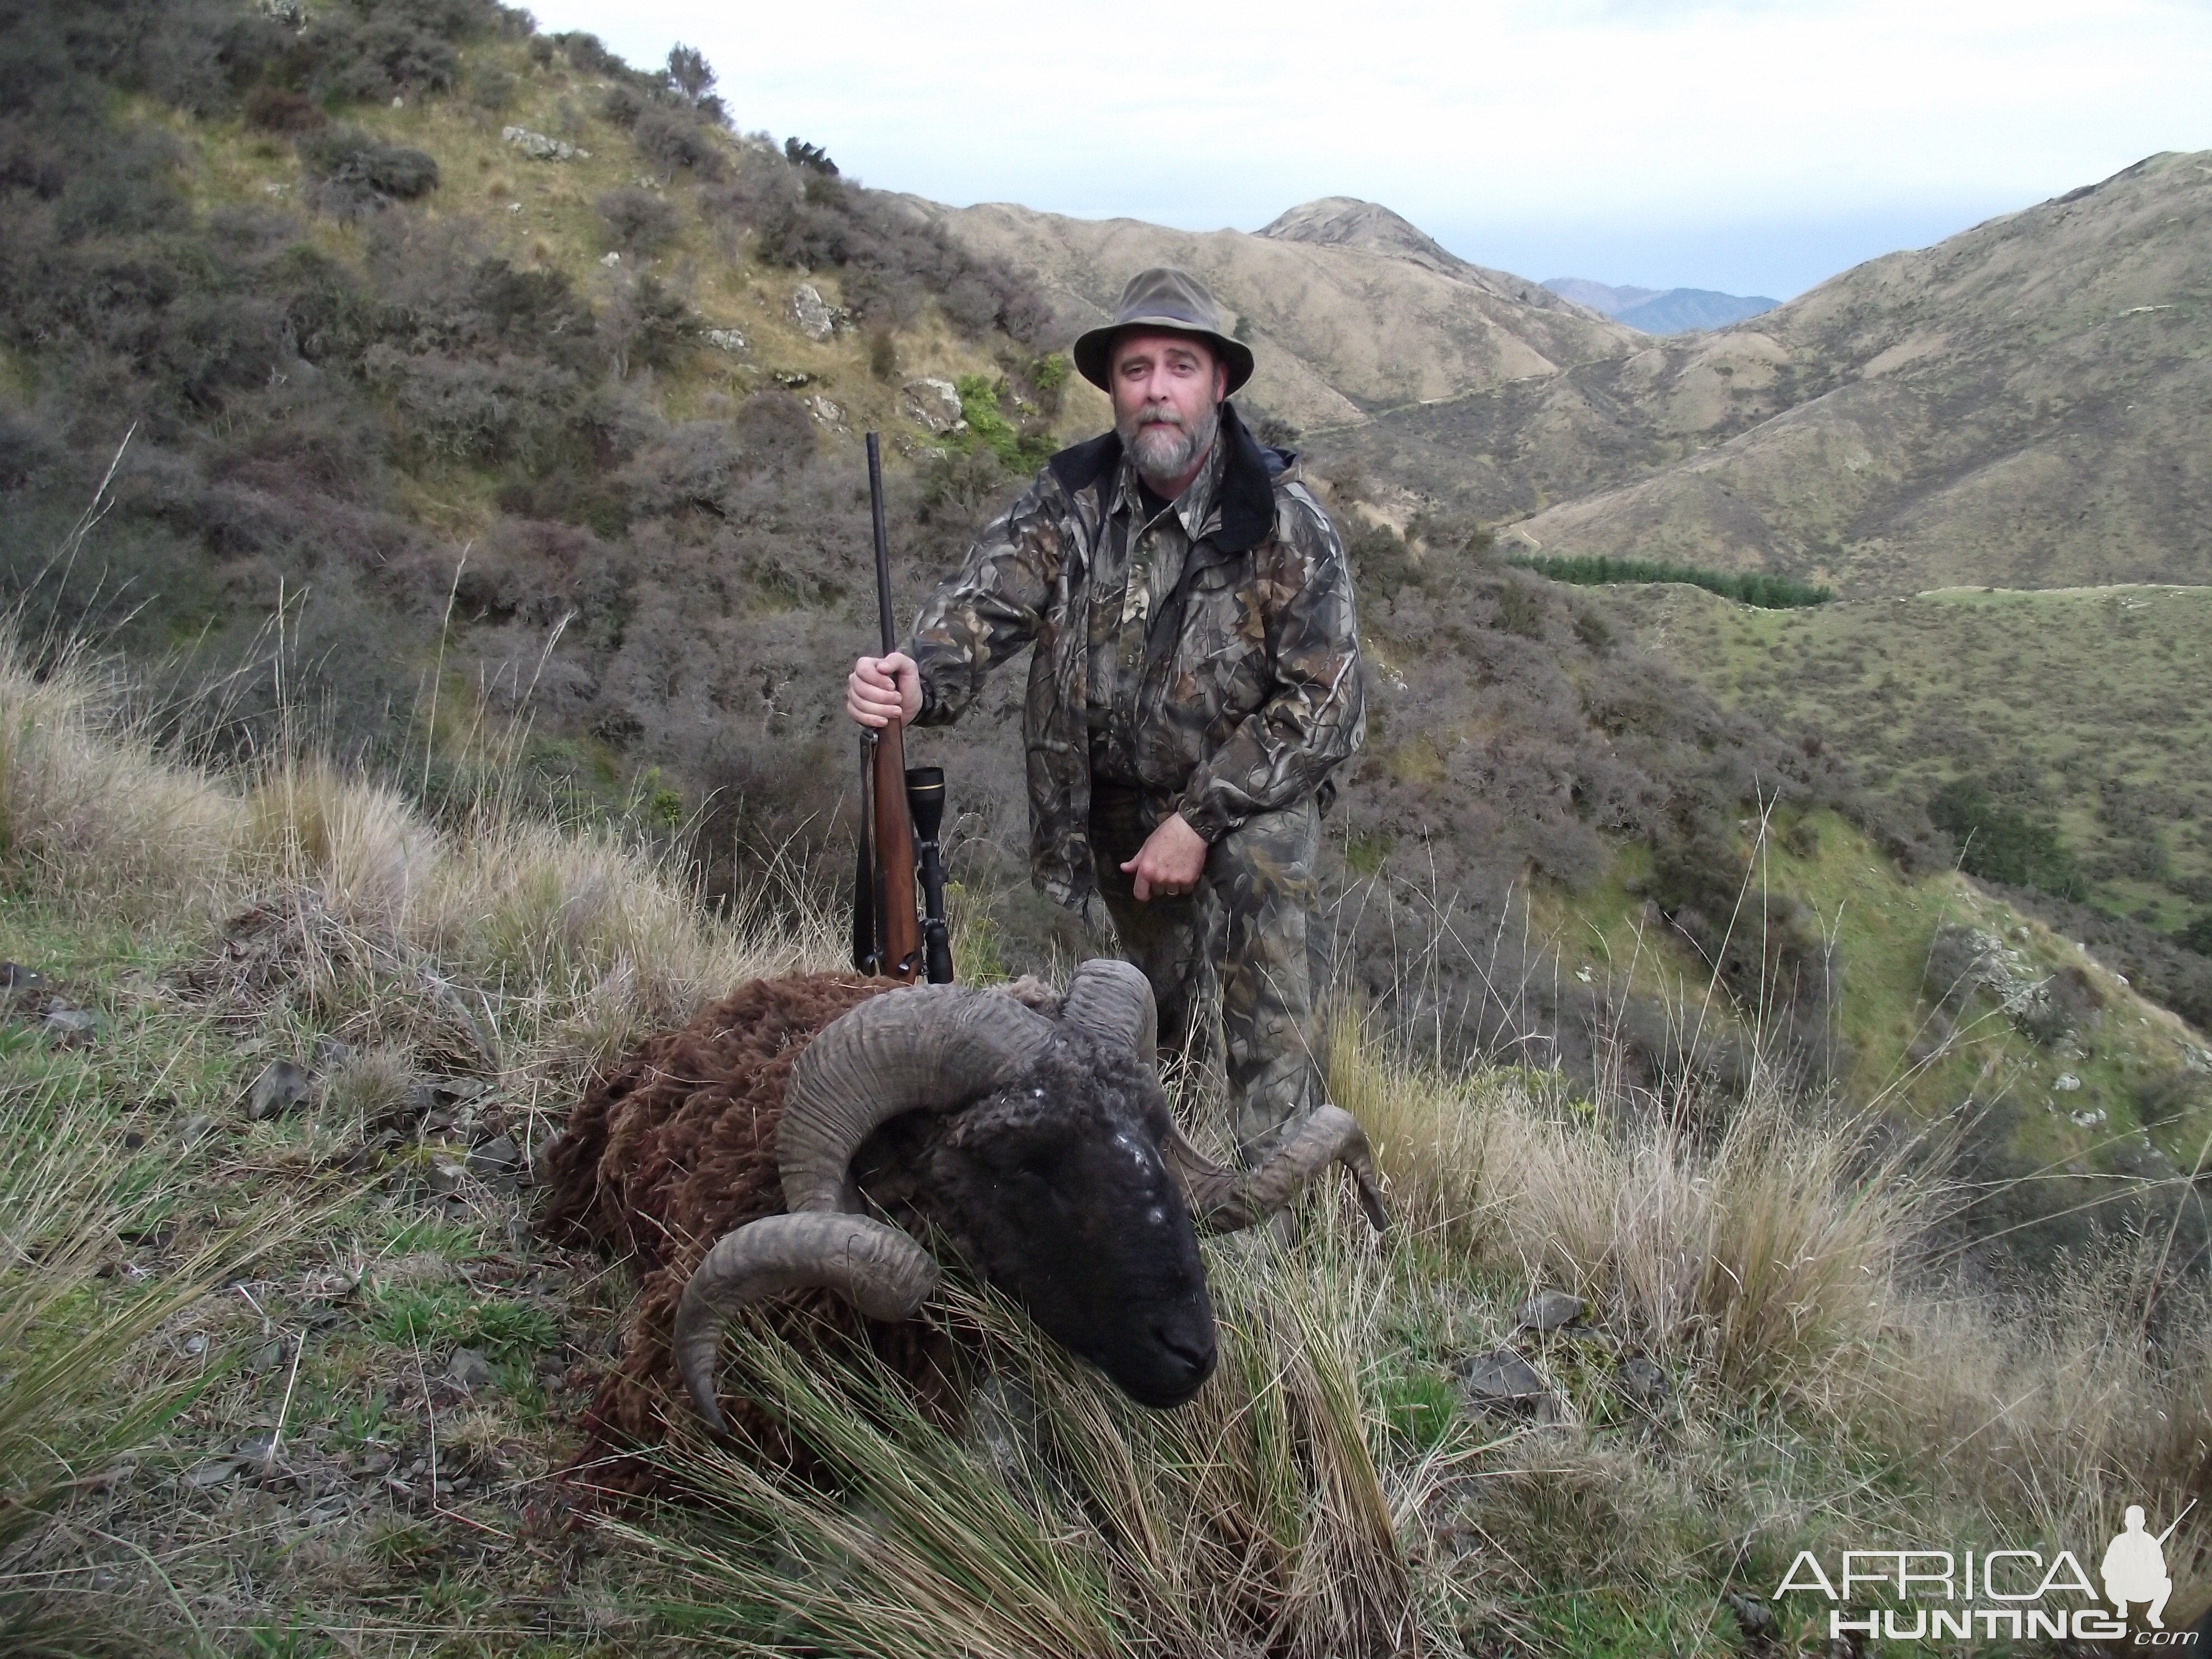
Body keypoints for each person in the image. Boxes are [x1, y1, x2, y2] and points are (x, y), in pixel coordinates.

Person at [847, 267, 1364, 1165]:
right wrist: (914, 682)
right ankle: (1150, 1182)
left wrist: (1197, 823)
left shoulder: (1284, 523)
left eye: (1180, 367)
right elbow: (984, 607)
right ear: (1113, 389)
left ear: (1220, 384)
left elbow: (1326, 703)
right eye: (1136, 370)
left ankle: (1276, 1196)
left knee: (1263, 920)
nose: (1156, 389)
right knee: (1145, 1015)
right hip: (1102, 808)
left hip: (1240, 803)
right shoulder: (1068, 498)